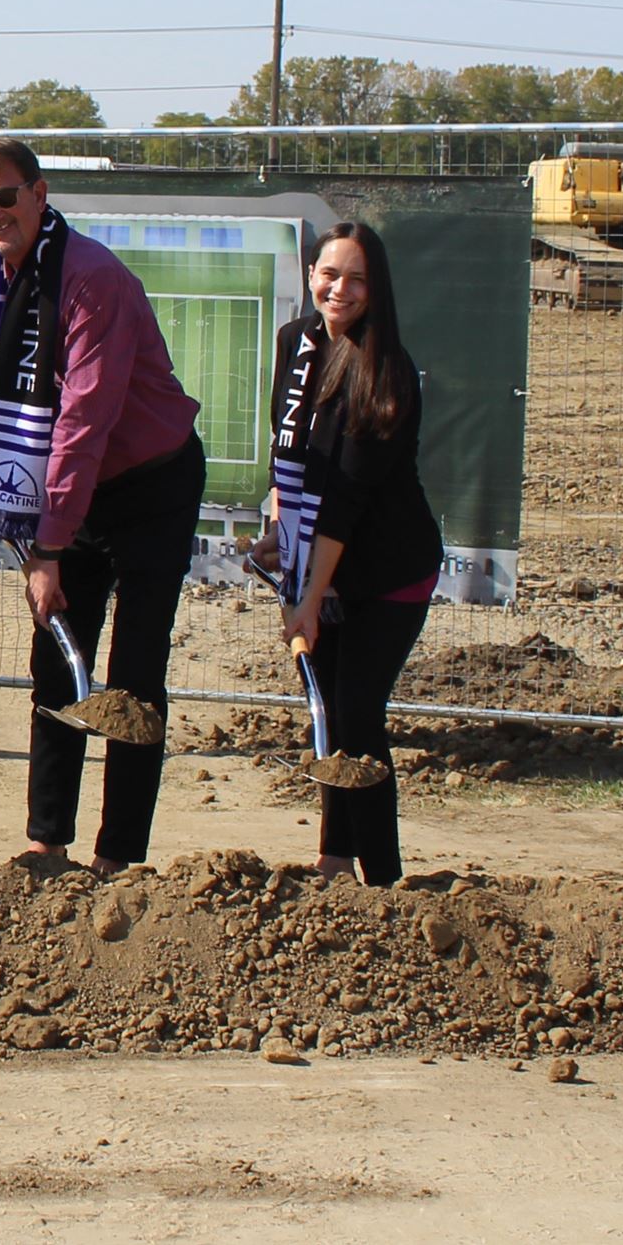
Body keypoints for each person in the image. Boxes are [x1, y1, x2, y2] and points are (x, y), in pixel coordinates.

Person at [0, 137, 204, 876]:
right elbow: (11, 402)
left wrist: (48, 546)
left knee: (133, 673)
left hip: (149, 481)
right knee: (55, 660)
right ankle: (45, 842)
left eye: (4, 195)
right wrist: (33, 530)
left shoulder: (94, 280)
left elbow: (85, 418)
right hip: (72, 485)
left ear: (41, 193)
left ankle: (119, 857)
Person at [251, 222, 442, 885]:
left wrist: (308, 598)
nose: (341, 289)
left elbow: (345, 503)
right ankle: (334, 860)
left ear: (377, 289)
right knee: (328, 710)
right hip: (321, 563)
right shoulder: (294, 345)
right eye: (330, 274)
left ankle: (383, 882)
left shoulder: (386, 373)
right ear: (311, 276)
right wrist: (279, 530)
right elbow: (290, 457)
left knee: (358, 713)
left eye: (357, 278)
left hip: (389, 571)